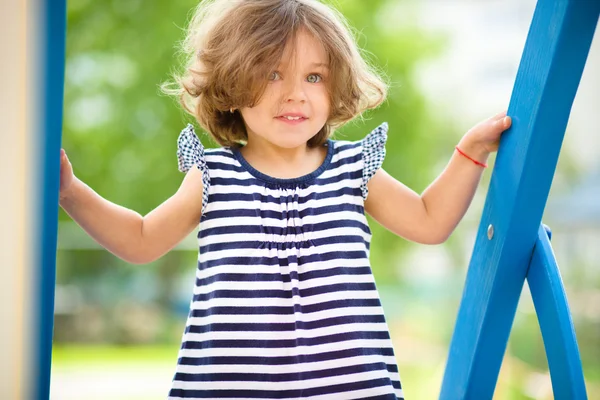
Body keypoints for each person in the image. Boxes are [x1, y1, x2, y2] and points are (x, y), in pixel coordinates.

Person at [59, 0, 512, 398]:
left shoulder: (353, 169)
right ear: (232, 83)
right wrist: (71, 192)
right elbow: (141, 239)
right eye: (272, 73)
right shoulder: (212, 175)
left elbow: (430, 221)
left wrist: (469, 153)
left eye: (314, 76)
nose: (295, 92)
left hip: (350, 388)